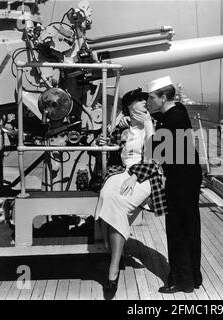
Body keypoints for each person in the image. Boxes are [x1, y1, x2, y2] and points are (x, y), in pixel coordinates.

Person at [94, 88, 167, 299]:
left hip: (146, 175)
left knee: (118, 203)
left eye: (145, 100)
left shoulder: (155, 124)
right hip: (122, 172)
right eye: (139, 101)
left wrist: (135, 176)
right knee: (107, 194)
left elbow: (156, 158)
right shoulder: (124, 127)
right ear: (129, 108)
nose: (144, 103)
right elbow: (110, 144)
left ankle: (113, 270)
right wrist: (102, 141)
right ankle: (112, 252)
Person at [146, 76, 203, 293]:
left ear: (163, 97)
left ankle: (182, 281)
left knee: (178, 229)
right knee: (189, 227)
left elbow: (155, 151)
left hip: (181, 179)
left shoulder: (172, 119)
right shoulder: (176, 111)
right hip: (187, 176)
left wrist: (147, 124)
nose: (149, 102)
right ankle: (192, 278)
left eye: (152, 98)